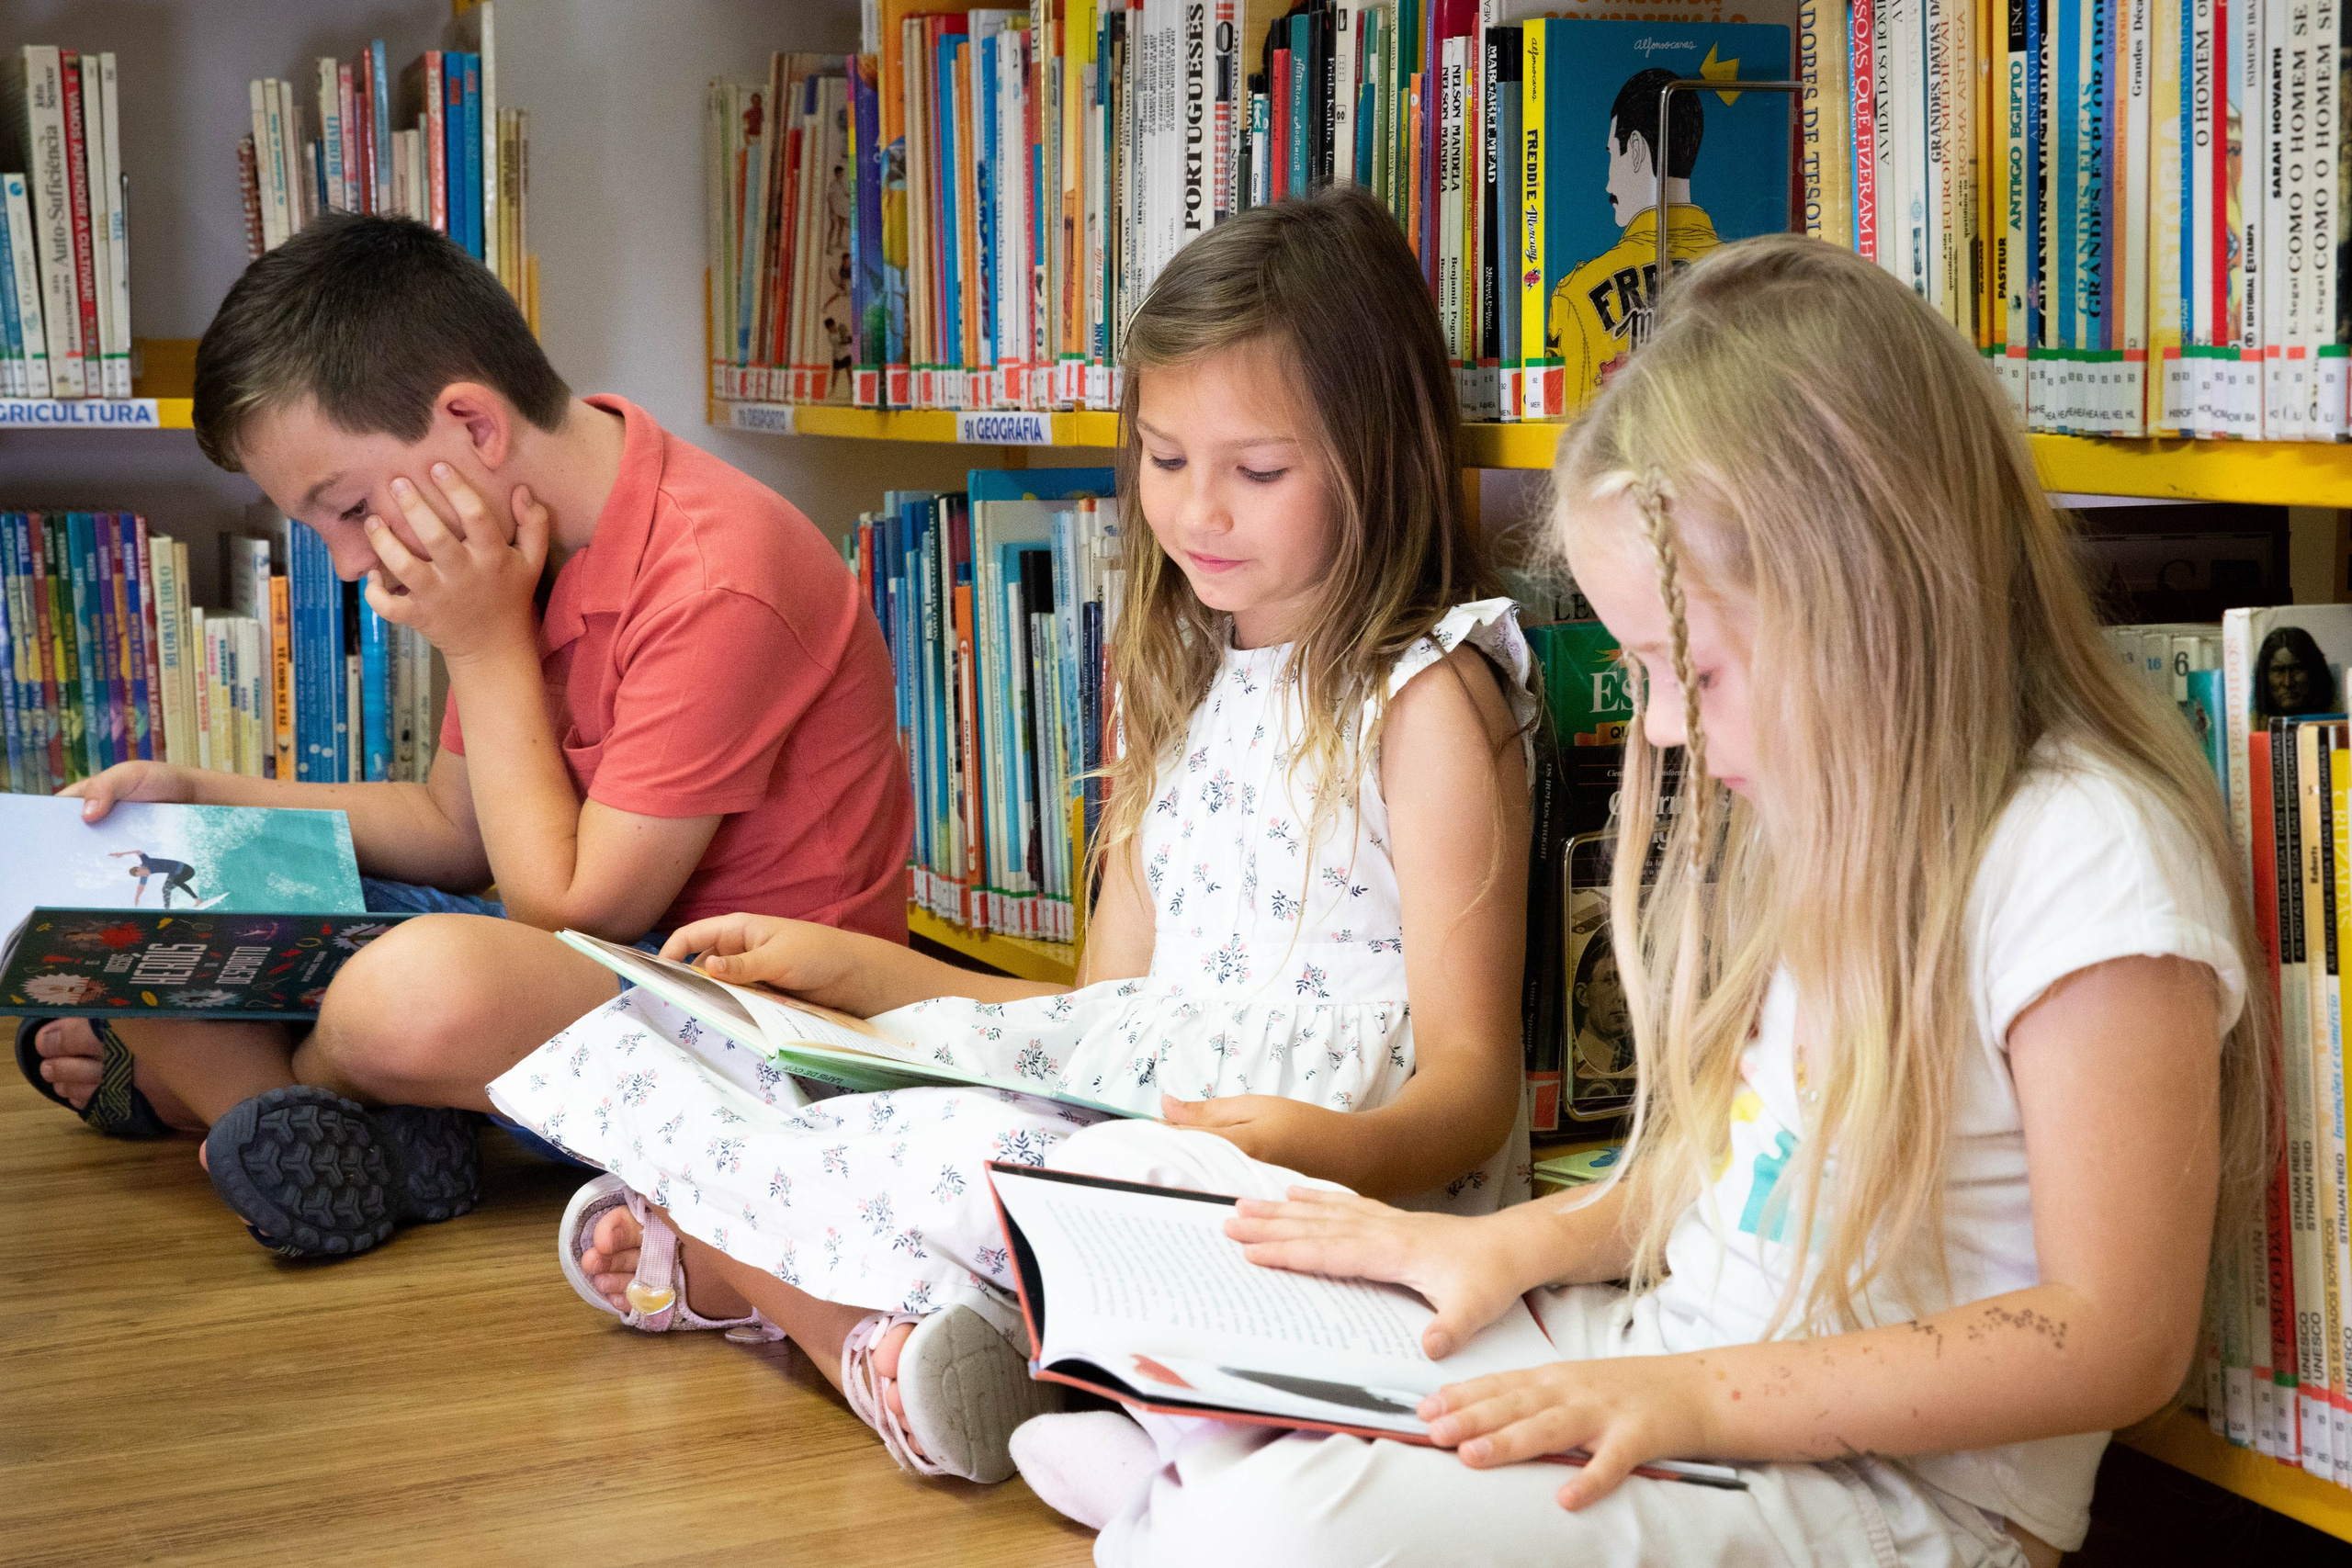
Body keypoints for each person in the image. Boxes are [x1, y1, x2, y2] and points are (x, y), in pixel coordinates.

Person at [1011, 234, 2267, 1568]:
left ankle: (1201, 1482)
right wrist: (1504, 1245)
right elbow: (1731, 1170)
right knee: (1139, 1178)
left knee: (1267, 1541)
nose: (1667, 728)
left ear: (1863, 600)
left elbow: (2115, 1334)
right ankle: (1212, 1457)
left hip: (1885, 1490)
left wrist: (1680, 1396)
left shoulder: (2086, 854)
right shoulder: (1838, 810)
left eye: (1696, 674)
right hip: (1664, 1361)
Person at [487, 186, 1534, 1485]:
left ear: (1379, 455)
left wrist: (1312, 1147)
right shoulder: (1188, 678)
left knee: (982, 1162)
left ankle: (782, 1290)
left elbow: (1478, 1088)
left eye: (1257, 471)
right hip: (1147, 1115)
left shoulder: (1425, 697)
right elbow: (1102, 1017)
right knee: (695, 1040)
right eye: (1162, 457)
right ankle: (870, 1316)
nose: (1199, 510)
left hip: (1325, 1173)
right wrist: (859, 979)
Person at [16, 214, 913, 1261]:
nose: (349, 563)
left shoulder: (718, 573)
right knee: (152, 890)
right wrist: (200, 796)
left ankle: (222, 1094)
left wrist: (486, 647)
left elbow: (567, 911)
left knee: (413, 992)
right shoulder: (509, 548)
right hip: (579, 981)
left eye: (344, 507)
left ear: (474, 427)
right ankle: (332, 1124)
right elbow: (453, 829)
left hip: (750, 1029)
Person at [1550, 67, 1723, 400]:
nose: (1607, 184)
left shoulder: (1574, 297)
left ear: (1637, 149)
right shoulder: (1757, 285)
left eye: (1612, 154)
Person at [111, 850, 201, 909]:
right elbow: (140, 887)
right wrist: (137, 897)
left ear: (139, 869)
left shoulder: (146, 861)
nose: (144, 876)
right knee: (165, 889)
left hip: (186, 870)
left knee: (175, 882)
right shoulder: (144, 876)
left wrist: (122, 854)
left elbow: (137, 851)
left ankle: (197, 900)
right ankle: (167, 911)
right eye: (140, 876)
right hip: (176, 873)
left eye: (141, 874)